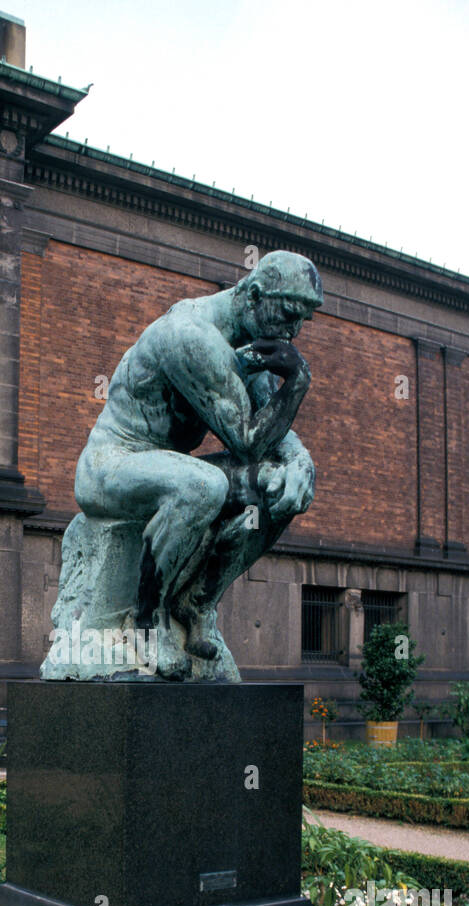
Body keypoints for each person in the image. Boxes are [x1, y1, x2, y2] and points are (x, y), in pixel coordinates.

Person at [71, 249, 323, 678]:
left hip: (167, 466)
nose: (293, 332)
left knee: (277, 489)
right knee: (203, 484)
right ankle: (147, 623)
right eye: (286, 315)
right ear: (254, 294)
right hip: (112, 465)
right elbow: (248, 441)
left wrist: (300, 462)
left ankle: (199, 600)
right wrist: (298, 380)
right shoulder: (190, 335)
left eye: (302, 321)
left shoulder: (248, 344)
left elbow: (274, 435)